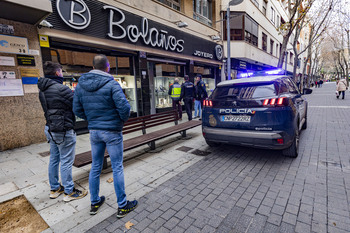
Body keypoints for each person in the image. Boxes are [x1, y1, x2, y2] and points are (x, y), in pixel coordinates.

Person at [73, 55, 137, 217]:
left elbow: (77, 110)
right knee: (117, 166)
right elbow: (125, 109)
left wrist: (92, 119)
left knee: (95, 167)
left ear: (93, 67)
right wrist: (118, 122)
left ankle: (94, 202)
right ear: (107, 67)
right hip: (112, 131)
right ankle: (122, 205)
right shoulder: (111, 84)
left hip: (94, 131)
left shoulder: (81, 86)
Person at [38, 61, 88, 202]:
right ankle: (69, 191)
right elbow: (76, 105)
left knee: (54, 158)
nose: (61, 73)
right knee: (66, 160)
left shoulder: (42, 89)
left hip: (50, 128)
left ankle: (54, 189)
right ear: (56, 73)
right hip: (64, 130)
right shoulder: (62, 89)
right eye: (61, 71)